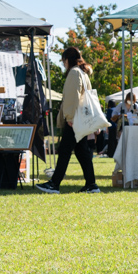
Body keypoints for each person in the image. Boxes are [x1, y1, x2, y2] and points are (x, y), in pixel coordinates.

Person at [36, 47, 99, 194]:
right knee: (81, 152)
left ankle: (54, 184)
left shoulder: (74, 73)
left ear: (67, 59)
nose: (63, 64)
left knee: (64, 150)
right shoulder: (83, 73)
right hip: (81, 118)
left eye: (63, 60)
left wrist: (69, 117)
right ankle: (91, 184)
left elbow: (72, 97)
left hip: (75, 118)